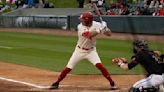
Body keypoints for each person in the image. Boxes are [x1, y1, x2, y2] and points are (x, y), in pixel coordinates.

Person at [49, 11, 117, 90]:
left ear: (88, 21)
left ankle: (112, 83)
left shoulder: (97, 25)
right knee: (68, 68)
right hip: (79, 51)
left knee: (100, 66)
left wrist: (105, 28)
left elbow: (109, 34)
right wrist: (100, 29)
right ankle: (57, 83)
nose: (81, 20)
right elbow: (89, 35)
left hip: (91, 51)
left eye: (83, 19)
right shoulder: (80, 27)